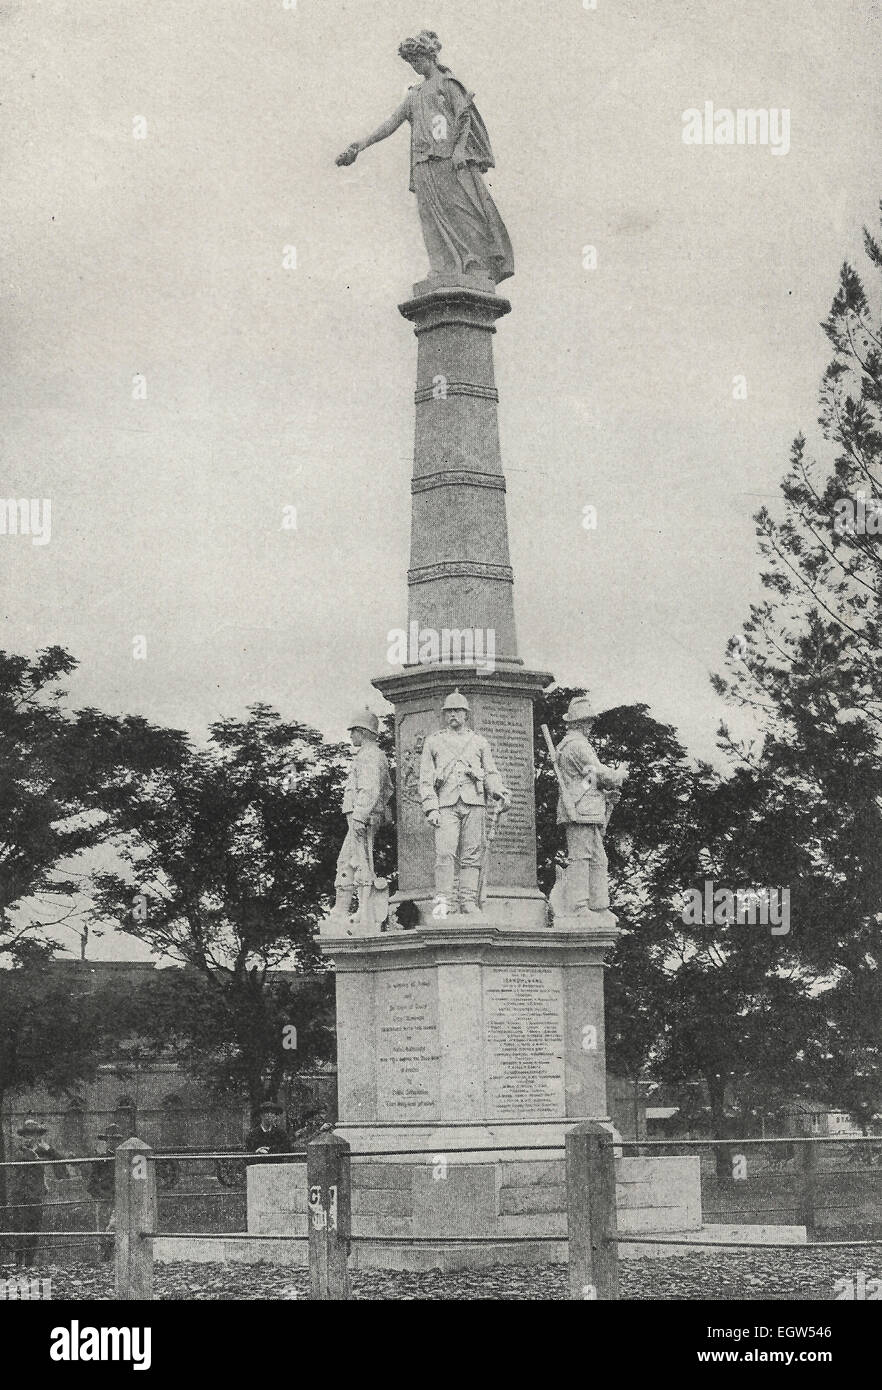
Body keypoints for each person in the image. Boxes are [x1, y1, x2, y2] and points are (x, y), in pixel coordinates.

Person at [336, 30, 514, 285]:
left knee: (463, 212)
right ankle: (444, 267)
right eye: (411, 63)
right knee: (431, 219)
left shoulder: (447, 84)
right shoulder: (414, 94)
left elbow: (463, 117)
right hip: (423, 165)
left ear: (429, 56)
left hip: (449, 160)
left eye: (417, 60)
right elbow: (391, 123)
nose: (415, 66)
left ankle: (475, 264)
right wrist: (361, 145)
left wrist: (460, 150)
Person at [418, 690, 511, 915]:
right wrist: (431, 807)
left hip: (474, 803)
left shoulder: (479, 742)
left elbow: (491, 772)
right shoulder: (434, 741)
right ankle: (444, 903)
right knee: (444, 854)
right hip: (445, 805)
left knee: (472, 855)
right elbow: (425, 779)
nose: (453, 715)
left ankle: (468, 901)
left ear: (466, 714)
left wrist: (498, 790)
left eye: (457, 710)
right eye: (449, 711)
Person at [553, 695, 627, 915]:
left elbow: (586, 781)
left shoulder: (574, 745)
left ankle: (599, 905)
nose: (591, 726)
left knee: (597, 858)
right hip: (579, 808)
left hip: (586, 807)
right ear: (580, 723)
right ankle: (579, 905)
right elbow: (597, 773)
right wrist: (618, 775)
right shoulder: (577, 746)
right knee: (581, 858)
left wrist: (604, 793)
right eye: (589, 722)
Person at [331, 707, 393, 928]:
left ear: (363, 732)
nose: (351, 736)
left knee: (360, 862)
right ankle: (342, 911)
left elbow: (371, 789)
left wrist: (360, 816)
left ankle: (363, 913)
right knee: (349, 861)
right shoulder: (372, 755)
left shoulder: (369, 755)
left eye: (353, 731)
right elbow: (387, 789)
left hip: (360, 817)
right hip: (362, 816)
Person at [5, 1121, 60, 1269]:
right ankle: (18, 1262)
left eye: (33, 1134)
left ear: (38, 1136)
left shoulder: (42, 1151)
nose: (30, 1137)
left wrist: (48, 1148)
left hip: (36, 1195)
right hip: (20, 1195)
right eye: (27, 1135)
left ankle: (29, 1262)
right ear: (23, 1136)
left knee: (34, 1227)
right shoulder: (19, 1151)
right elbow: (18, 1163)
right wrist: (32, 1153)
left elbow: (59, 1161)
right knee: (19, 1228)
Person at [86, 1126, 121, 1261]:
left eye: (116, 1139)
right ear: (106, 1141)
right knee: (103, 1229)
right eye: (110, 1139)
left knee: (116, 1228)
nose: (113, 1142)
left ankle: (114, 1258)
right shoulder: (101, 1159)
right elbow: (92, 1183)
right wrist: (101, 1195)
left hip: (119, 1199)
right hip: (104, 1198)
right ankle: (104, 1259)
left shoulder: (123, 1157)